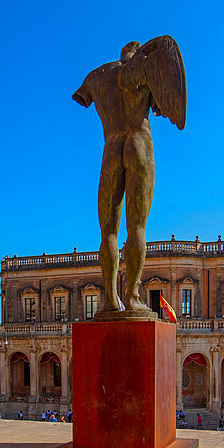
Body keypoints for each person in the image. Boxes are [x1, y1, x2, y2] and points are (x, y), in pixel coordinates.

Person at [73, 38, 186, 315]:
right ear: (138, 55)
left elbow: (82, 97)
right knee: (137, 227)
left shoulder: (97, 76)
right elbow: (163, 106)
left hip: (110, 147)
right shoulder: (144, 70)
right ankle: (133, 295)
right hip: (138, 143)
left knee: (108, 231)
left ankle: (111, 299)